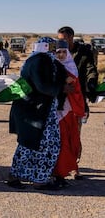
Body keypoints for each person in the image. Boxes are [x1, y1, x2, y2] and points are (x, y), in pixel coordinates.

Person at [7, 37, 68, 190]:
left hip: (36, 110)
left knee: (30, 144)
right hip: (36, 110)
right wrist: (62, 88)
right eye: (52, 46)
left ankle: (17, 176)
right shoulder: (40, 61)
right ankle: (40, 180)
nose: (55, 49)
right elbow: (43, 86)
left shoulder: (37, 59)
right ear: (46, 46)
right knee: (48, 144)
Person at [57, 26, 98, 179]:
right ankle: (59, 166)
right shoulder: (56, 52)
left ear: (71, 37)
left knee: (75, 133)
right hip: (59, 99)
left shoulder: (83, 52)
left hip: (77, 99)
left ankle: (74, 166)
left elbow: (90, 69)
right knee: (59, 134)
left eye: (64, 39)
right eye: (59, 39)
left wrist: (92, 82)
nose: (61, 42)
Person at [53, 40, 85, 187]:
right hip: (54, 109)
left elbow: (72, 87)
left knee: (66, 141)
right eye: (58, 52)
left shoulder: (71, 67)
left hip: (67, 110)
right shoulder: (52, 65)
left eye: (63, 52)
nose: (60, 55)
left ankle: (62, 172)